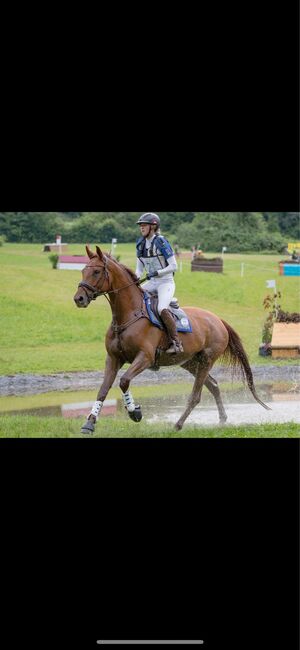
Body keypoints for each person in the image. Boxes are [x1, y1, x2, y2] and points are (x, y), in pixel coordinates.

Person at [135, 213, 184, 354]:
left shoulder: (161, 242)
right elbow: (139, 269)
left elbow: (174, 266)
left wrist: (157, 273)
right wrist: (136, 278)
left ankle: (176, 342)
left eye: (144, 225)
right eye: (140, 226)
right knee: (134, 299)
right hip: (151, 283)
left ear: (153, 226)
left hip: (165, 282)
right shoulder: (140, 244)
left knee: (162, 308)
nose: (141, 228)